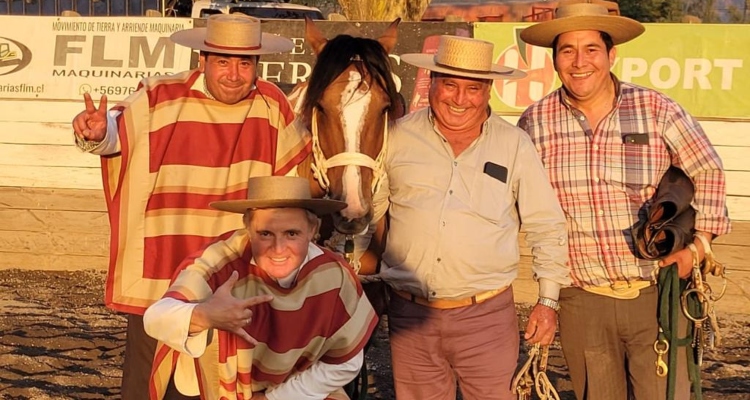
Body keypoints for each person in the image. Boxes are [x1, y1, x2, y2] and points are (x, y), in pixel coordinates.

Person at [70, 14, 309, 399]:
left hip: (234, 271)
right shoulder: (160, 95)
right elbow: (115, 135)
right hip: (161, 270)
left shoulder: (272, 105)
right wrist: (95, 133)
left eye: (244, 63)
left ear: (258, 66)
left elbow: (297, 176)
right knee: (147, 385)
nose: (234, 74)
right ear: (202, 60)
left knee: (225, 382)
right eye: (223, 62)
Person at [518, 3, 731, 399]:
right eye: (568, 51)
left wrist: (698, 247)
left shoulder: (656, 109)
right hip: (582, 299)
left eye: (591, 49)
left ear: (611, 55)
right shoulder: (534, 122)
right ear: (554, 60)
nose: (580, 62)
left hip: (656, 292)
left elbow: (709, 170)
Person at [376, 35, 571, 400]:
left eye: (473, 88)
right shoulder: (397, 137)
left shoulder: (514, 145)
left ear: (489, 91)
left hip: (486, 316)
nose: (460, 99)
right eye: (449, 85)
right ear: (431, 83)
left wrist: (547, 301)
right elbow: (373, 212)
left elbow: (546, 225)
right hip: (410, 314)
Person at [143, 176, 379, 400]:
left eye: (292, 234)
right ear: (247, 228)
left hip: (294, 385)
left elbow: (345, 362)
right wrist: (203, 316)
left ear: (312, 231)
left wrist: (273, 398)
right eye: (265, 233)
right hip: (215, 384)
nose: (278, 249)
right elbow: (155, 317)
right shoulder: (219, 261)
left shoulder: (333, 275)